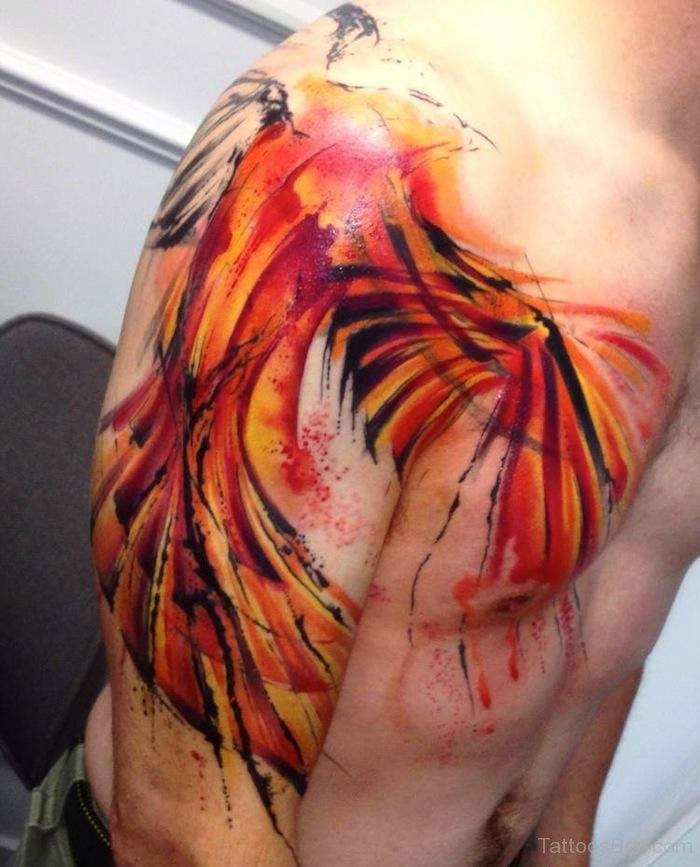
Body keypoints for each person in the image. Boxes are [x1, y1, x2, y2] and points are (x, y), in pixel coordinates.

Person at [13, 1, 700, 865]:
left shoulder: (679, 177)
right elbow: (183, 837)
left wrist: (565, 846)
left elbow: (613, 609)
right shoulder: (359, 154)